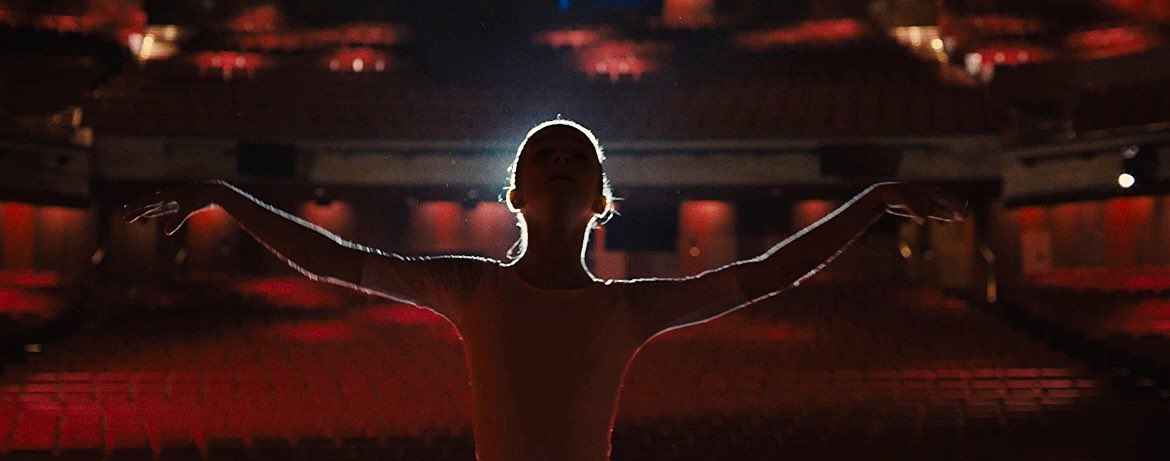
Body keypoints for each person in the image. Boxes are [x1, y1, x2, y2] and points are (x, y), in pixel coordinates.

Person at [124, 120, 966, 461]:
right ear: (516, 194)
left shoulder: (626, 308)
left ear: (601, 200)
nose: (560, 161)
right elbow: (331, 258)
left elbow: (766, 273)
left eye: (577, 158)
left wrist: (872, 201)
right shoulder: (471, 287)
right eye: (543, 155)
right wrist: (224, 194)